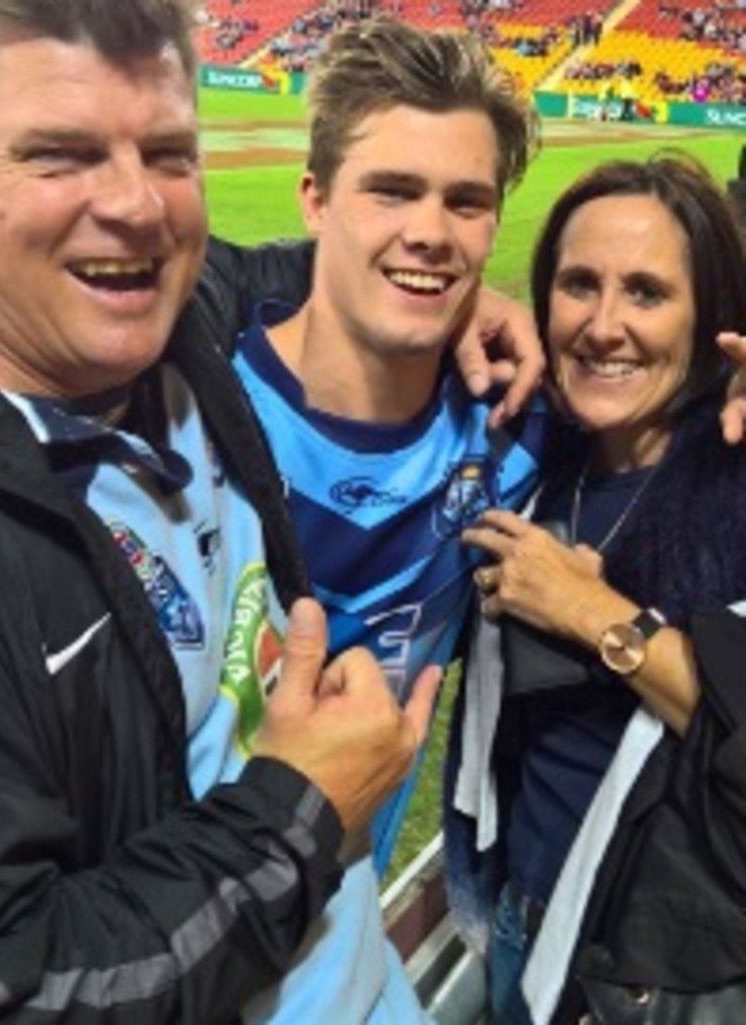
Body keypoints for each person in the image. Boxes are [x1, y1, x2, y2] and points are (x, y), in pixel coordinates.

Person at [0, 1, 448, 1019]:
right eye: (60, 156)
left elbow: (287, 269)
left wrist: (470, 307)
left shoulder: (181, 317)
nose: (140, 207)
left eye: (169, 153)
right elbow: (13, 985)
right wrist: (301, 811)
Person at [231, 18, 544, 1024]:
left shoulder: (517, 421)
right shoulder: (194, 402)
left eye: (466, 200)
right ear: (315, 199)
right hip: (155, 947)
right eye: (393, 189)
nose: (432, 230)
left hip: (346, 958)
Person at [452, 153, 746, 1025]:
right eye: (579, 284)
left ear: (710, 318)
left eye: (648, 293)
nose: (604, 325)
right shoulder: (536, 448)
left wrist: (595, 615)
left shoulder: (734, 468)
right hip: (520, 915)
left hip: (657, 965)